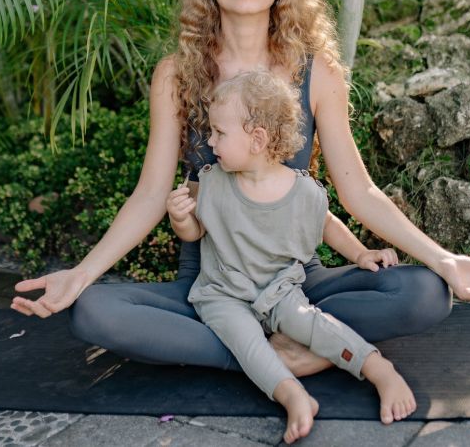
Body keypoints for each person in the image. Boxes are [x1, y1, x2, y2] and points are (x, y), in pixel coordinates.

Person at [12, 0, 470, 403]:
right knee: (94, 313)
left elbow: (357, 190)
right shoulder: (175, 73)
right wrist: (80, 274)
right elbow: (150, 195)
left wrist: (443, 258)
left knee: (426, 294)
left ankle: (267, 346)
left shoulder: (317, 72)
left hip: (298, 278)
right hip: (211, 283)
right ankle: (287, 354)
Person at [167, 69, 413, 442]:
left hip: (280, 289)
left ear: (257, 139)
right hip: (224, 293)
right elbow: (196, 231)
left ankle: (379, 369)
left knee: (312, 323)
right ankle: (293, 395)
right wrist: (180, 218)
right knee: (246, 341)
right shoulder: (210, 181)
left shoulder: (301, 191)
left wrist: (361, 253)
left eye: (219, 132)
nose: (210, 141)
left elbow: (327, 224)